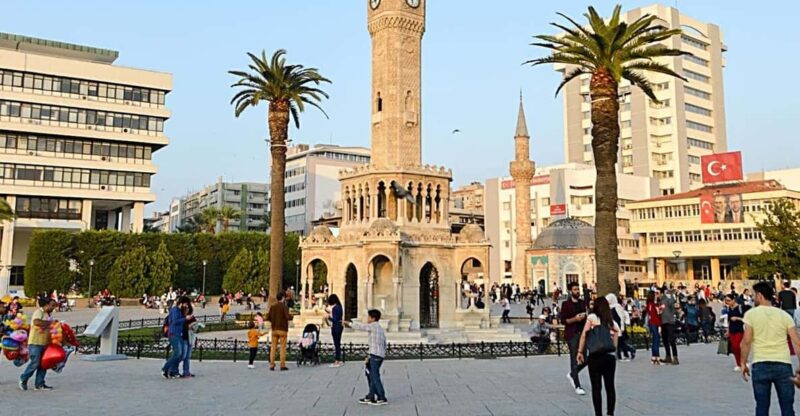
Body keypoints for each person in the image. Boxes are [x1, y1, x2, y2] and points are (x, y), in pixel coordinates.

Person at [741, 282, 800, 416]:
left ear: (760, 296)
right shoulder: (784, 315)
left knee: (762, 406)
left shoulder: (751, 314)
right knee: (787, 407)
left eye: (754, 295)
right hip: (783, 365)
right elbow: (797, 342)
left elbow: (746, 341)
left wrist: (743, 362)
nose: (753, 297)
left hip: (760, 364)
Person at [577, 296, 620, 416]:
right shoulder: (610, 320)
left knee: (596, 388)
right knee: (610, 386)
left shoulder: (592, 318)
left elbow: (584, 335)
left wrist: (580, 352)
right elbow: (617, 332)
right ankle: (610, 413)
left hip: (595, 357)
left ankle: (598, 414)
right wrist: (614, 348)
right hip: (609, 357)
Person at [345, 309, 388, 406]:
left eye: (368, 317)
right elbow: (384, 343)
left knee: (375, 376)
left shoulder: (373, 326)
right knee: (371, 375)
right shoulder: (380, 328)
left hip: (375, 355)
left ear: (373, 318)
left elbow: (361, 326)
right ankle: (370, 395)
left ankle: (382, 397)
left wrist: (349, 324)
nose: (367, 319)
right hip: (378, 354)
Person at [19, 297, 58, 391]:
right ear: (46, 305)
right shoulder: (39, 312)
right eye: (52, 305)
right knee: (35, 363)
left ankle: (39, 384)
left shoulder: (49, 314)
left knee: (43, 364)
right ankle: (23, 379)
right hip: (35, 342)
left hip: (45, 342)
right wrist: (50, 323)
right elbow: (36, 322)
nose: (54, 308)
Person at [560, 282, 588, 395]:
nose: (577, 291)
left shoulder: (582, 303)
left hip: (583, 334)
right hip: (572, 334)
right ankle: (577, 385)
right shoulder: (566, 304)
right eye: (575, 289)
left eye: (578, 289)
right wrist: (575, 319)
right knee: (574, 359)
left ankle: (572, 374)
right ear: (570, 291)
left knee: (586, 359)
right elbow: (564, 321)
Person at [161, 296, 189, 379]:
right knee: (178, 352)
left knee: (180, 355)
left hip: (179, 335)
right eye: (186, 304)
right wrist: (185, 318)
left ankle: (173, 371)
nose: (187, 305)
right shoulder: (174, 310)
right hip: (173, 334)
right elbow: (174, 321)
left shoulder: (180, 311)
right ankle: (165, 368)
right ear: (182, 303)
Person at [266, 292, 292, 371]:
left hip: (274, 329)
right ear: (283, 298)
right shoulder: (284, 307)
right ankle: (282, 365)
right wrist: (292, 316)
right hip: (282, 329)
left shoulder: (272, 307)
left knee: (273, 347)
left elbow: (268, 317)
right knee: (282, 348)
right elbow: (287, 317)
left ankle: (272, 364)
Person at [723, 294, 748, 372]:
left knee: (738, 346)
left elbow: (746, 319)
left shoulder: (741, 308)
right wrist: (727, 330)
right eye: (726, 301)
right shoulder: (729, 309)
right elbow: (729, 321)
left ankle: (743, 362)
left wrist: (737, 318)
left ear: (733, 300)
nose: (727, 302)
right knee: (734, 348)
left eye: (729, 300)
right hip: (732, 330)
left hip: (739, 330)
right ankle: (738, 364)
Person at [181, 304, 203, 378]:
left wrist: (195, 326)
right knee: (182, 356)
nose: (187, 310)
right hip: (183, 338)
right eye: (185, 309)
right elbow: (179, 326)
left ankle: (186, 372)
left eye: (188, 308)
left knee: (187, 357)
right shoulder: (181, 317)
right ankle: (173, 369)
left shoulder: (192, 317)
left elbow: (196, 329)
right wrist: (188, 326)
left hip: (190, 338)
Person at [660, 288, 679, 365]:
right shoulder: (661, 300)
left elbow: (673, 307)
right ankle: (668, 356)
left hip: (670, 321)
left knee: (671, 339)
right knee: (665, 340)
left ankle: (675, 357)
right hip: (663, 321)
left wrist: (672, 295)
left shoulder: (669, 298)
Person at [645, 290, 662, 365]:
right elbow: (655, 316)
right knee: (656, 340)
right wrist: (659, 325)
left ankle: (654, 356)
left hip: (652, 323)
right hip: (655, 323)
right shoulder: (652, 304)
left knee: (655, 340)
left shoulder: (649, 304)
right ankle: (656, 356)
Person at [327, 294, 344, 368]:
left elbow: (335, 319)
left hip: (336, 327)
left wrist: (329, 317)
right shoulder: (339, 307)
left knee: (336, 343)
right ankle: (338, 359)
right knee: (338, 343)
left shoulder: (335, 308)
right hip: (340, 326)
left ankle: (337, 360)